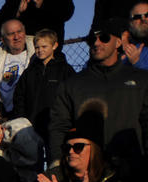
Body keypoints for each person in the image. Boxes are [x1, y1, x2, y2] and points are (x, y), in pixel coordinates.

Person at [48, 19, 148, 164]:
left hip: (131, 168)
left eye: (104, 38)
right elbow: (59, 126)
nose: (96, 43)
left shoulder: (141, 80)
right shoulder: (72, 84)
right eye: (91, 39)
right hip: (88, 170)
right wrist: (57, 161)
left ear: (118, 42)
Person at [13, 28, 74, 147]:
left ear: (54, 46)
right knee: (34, 161)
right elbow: (19, 97)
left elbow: (73, 95)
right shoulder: (29, 72)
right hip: (32, 125)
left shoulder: (65, 70)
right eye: (37, 47)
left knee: (55, 159)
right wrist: (22, 120)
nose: (40, 50)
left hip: (57, 125)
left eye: (44, 46)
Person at [0, 19, 35, 116]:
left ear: (25, 33)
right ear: (3, 39)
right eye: (11, 34)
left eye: (19, 32)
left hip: (29, 113)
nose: (16, 37)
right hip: (5, 114)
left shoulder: (37, 56)